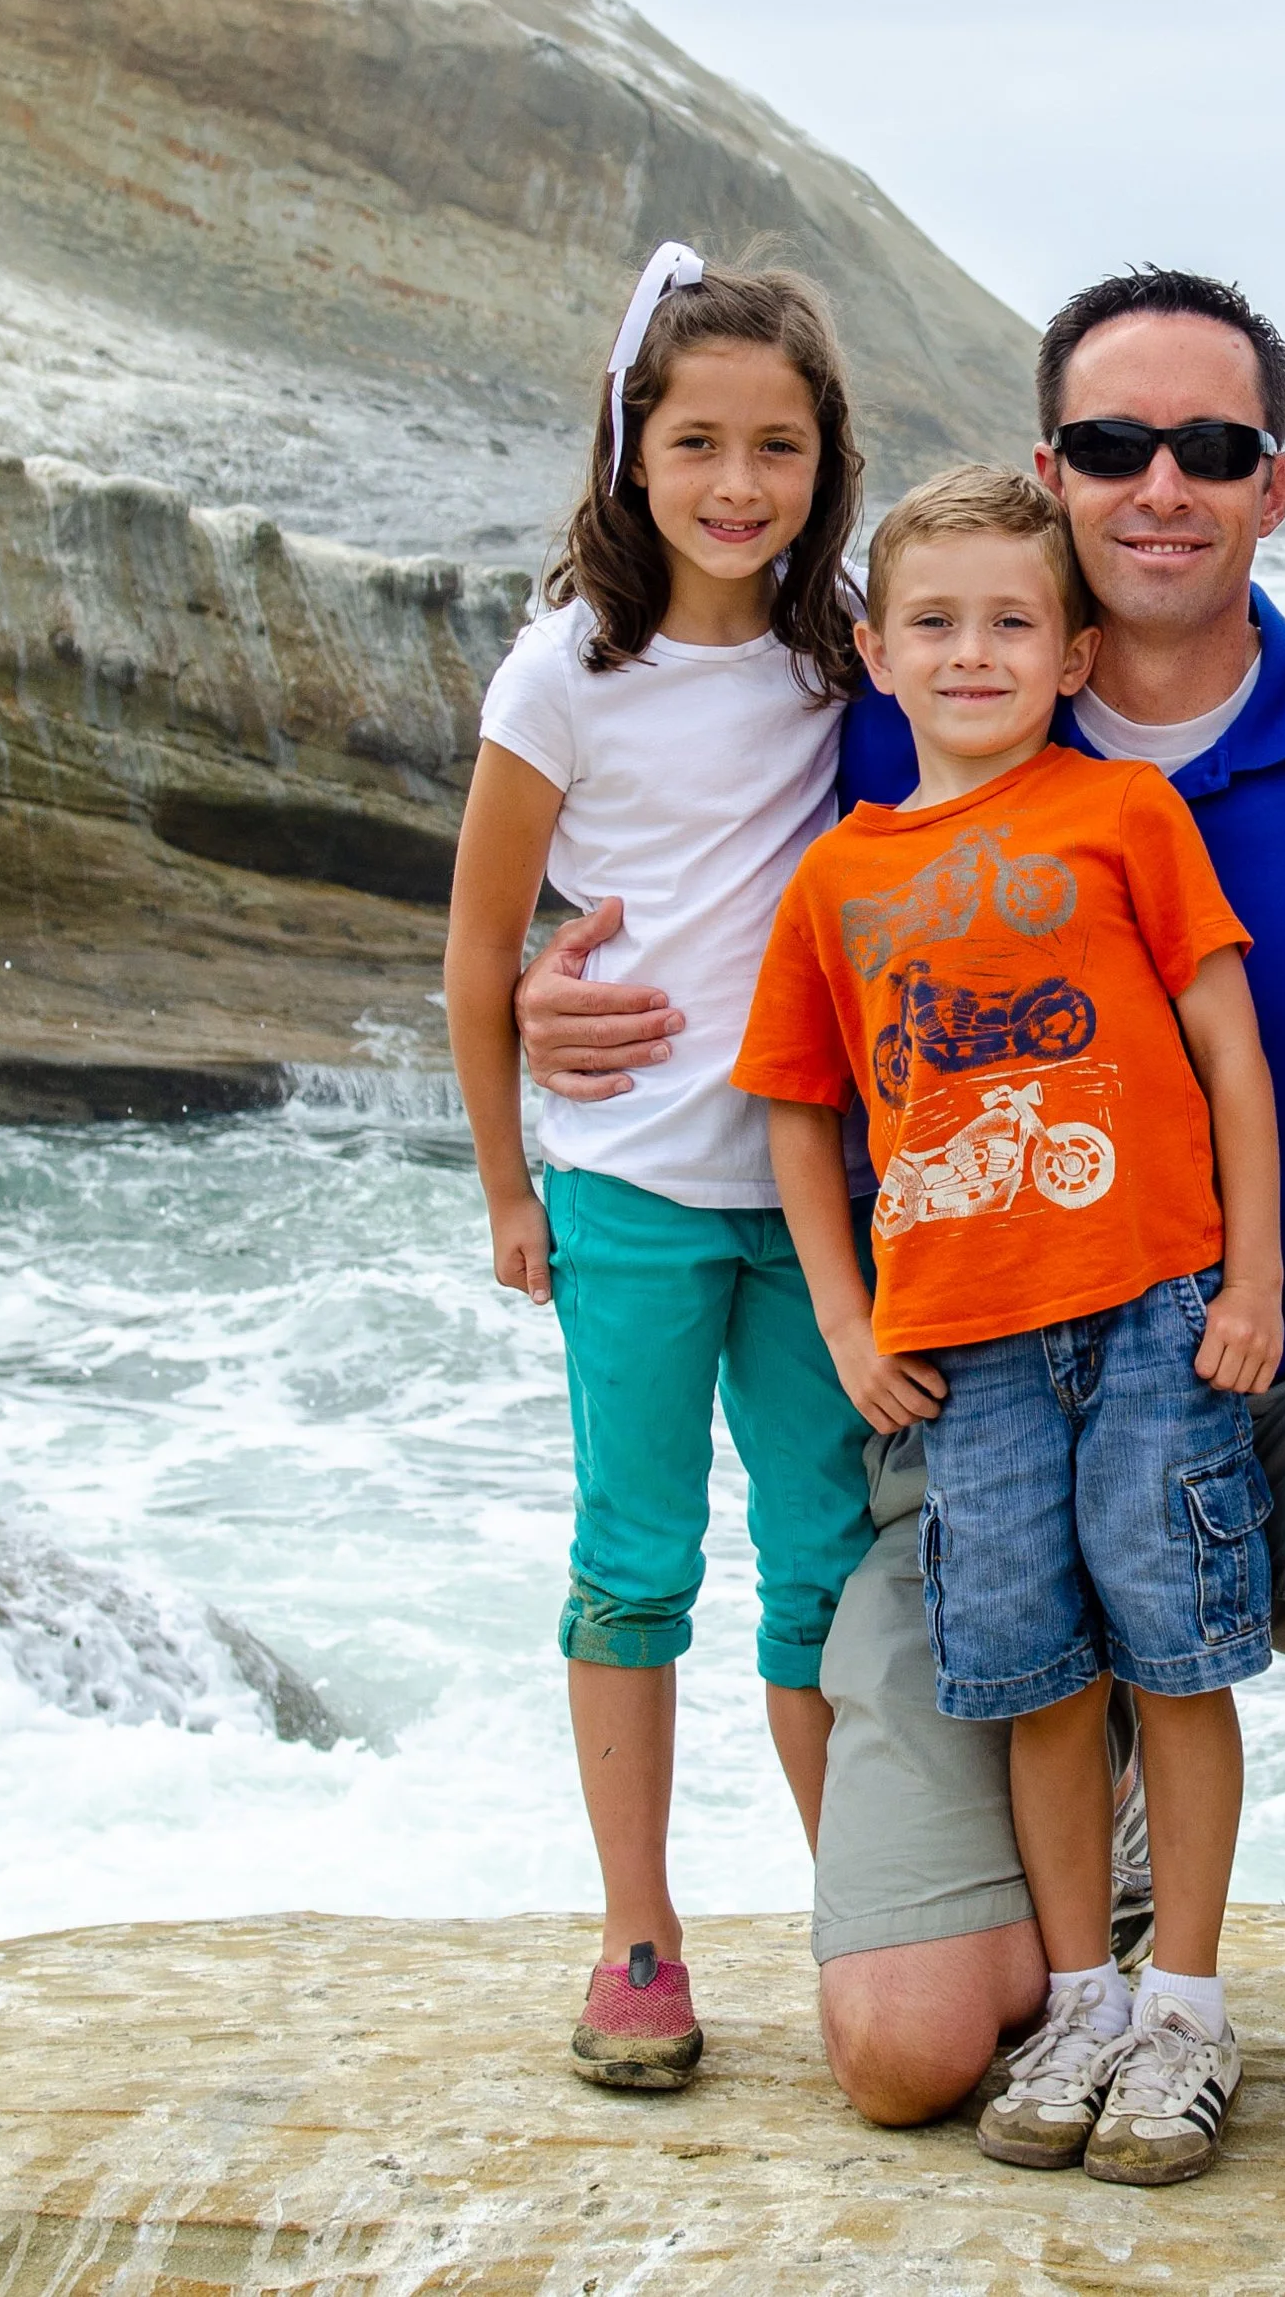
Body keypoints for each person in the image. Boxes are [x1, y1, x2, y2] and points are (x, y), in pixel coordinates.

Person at [519, 265, 1285, 2135]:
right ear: (1056, 470)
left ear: (1276, 485)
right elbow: (676, 839)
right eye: (1114, 445)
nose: (1160, 483)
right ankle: (1079, 1829)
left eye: (1213, 446)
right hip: (979, 1402)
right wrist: (549, 983)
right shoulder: (901, 716)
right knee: (911, 2052)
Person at [736, 464, 1285, 2186]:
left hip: (1150, 1315)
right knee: (1040, 1676)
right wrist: (842, 1318)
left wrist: (1254, 1278)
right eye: (935, 624)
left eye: (1011, 624)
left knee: (1175, 1656)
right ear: (877, 653)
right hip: (959, 1356)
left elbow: (1229, 1051)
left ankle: (1186, 2003)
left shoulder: (1122, 816)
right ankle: (1080, 1999)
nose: (971, 653)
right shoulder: (837, 880)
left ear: (1069, 654)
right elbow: (797, 1117)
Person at [444, 247, 878, 2094]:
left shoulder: (844, 647)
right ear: (632, 449)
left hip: (812, 1199)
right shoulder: (567, 671)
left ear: (823, 460)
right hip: (624, 1185)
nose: (736, 483)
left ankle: (865, 1923)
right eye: (696, 440)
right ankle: (639, 1937)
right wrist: (507, 1192)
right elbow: (478, 956)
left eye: (776, 446)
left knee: (827, 1566)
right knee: (634, 1565)